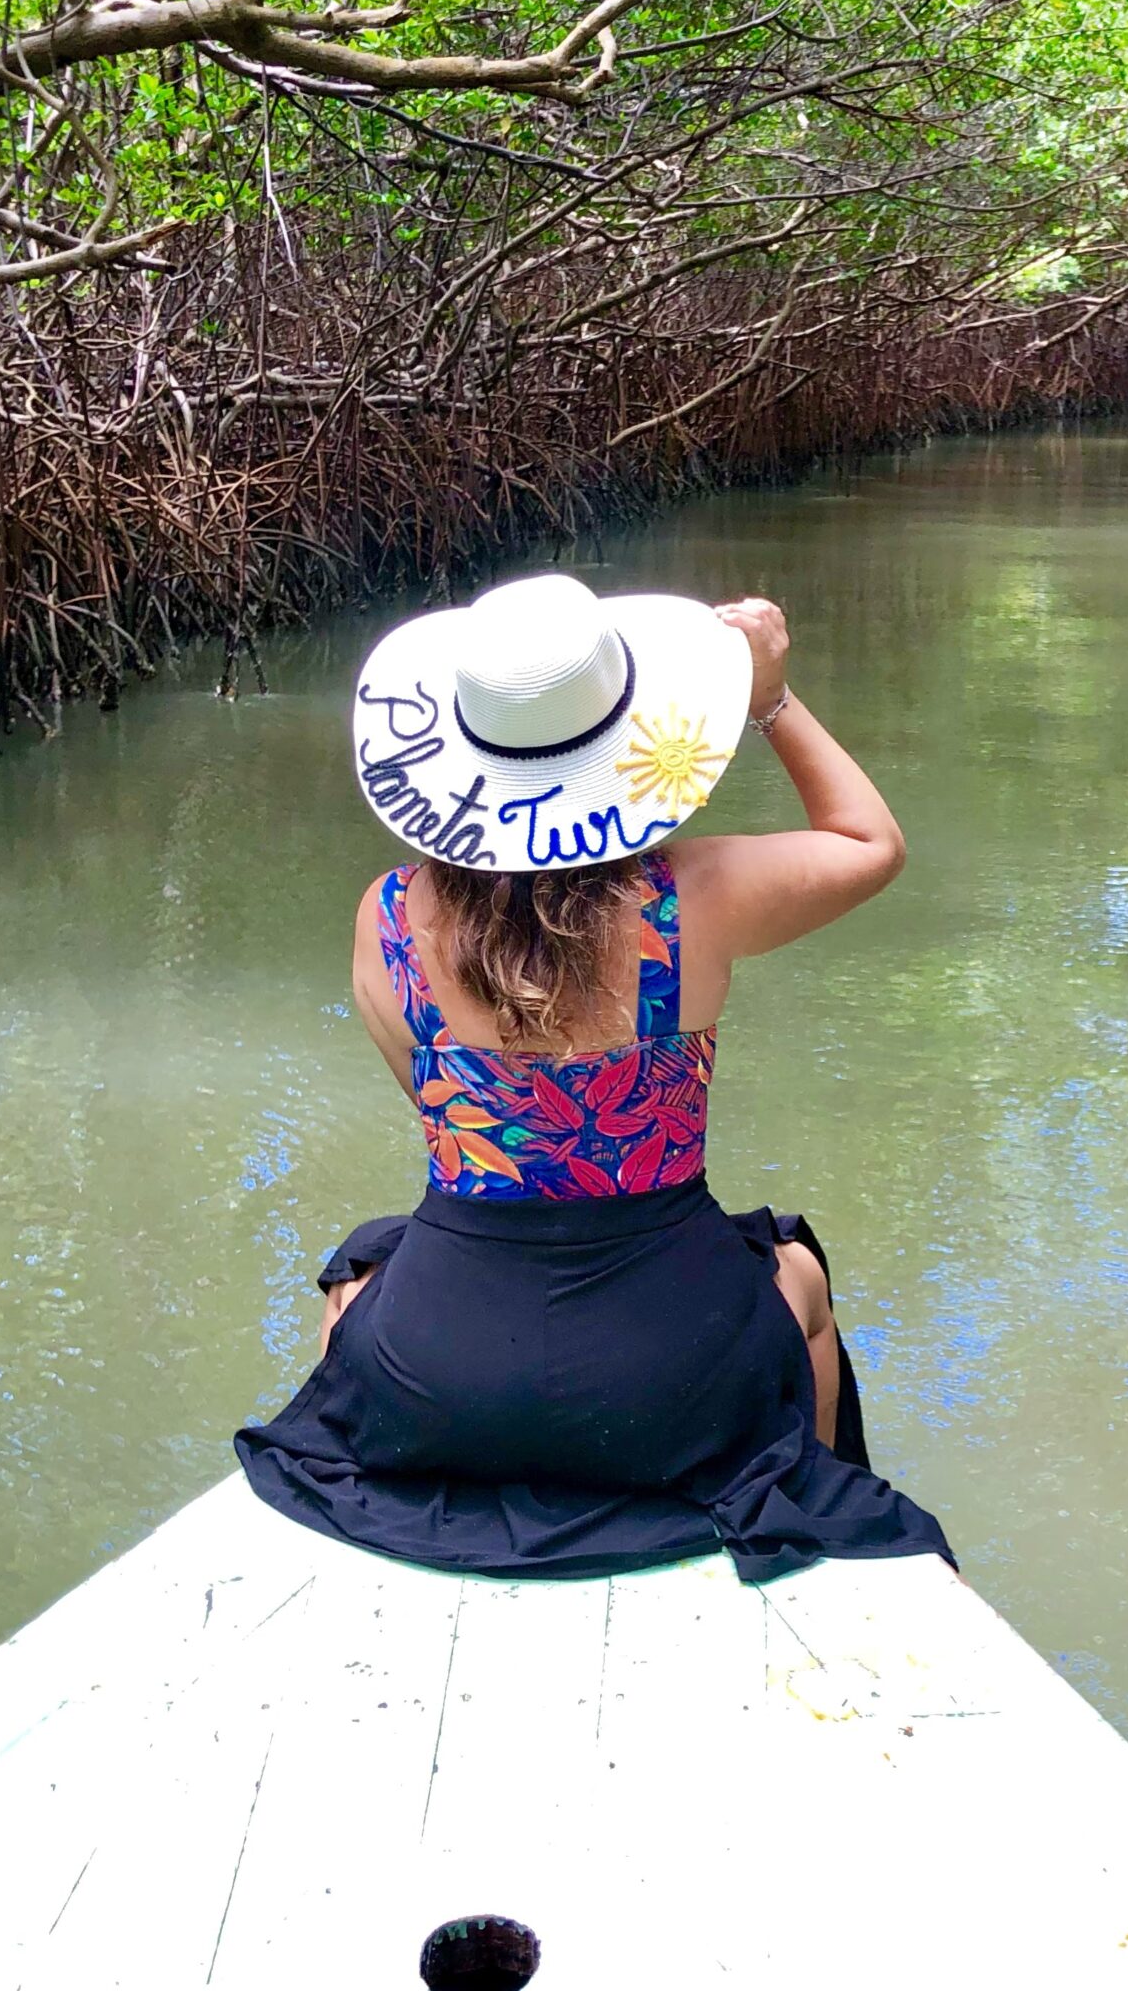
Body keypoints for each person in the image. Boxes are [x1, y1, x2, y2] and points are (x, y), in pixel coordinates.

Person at [237, 572, 953, 1583]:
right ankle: (808, 1491)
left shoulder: (387, 912)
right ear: (629, 743)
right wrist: (770, 701)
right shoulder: (696, 894)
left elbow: (440, 1108)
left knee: (356, 1282)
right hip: (671, 1376)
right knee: (797, 1268)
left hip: (443, 1376)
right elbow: (870, 842)